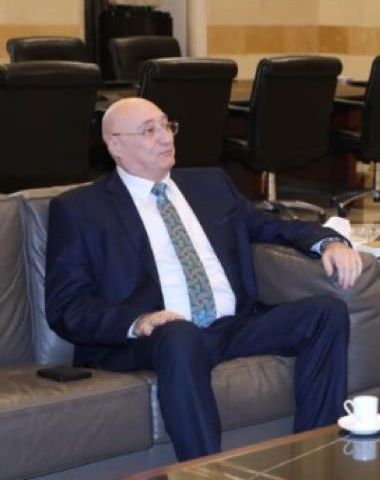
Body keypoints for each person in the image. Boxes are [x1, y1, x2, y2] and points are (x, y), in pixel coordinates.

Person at [45, 97, 364, 461]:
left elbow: (268, 226)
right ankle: (205, 470)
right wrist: (138, 321)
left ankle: (316, 459)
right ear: (115, 145)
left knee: (326, 313)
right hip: (157, 337)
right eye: (149, 131)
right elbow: (66, 306)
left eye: (167, 125)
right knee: (180, 335)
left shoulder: (210, 184)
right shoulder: (80, 209)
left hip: (231, 326)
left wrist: (327, 241)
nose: (165, 137)